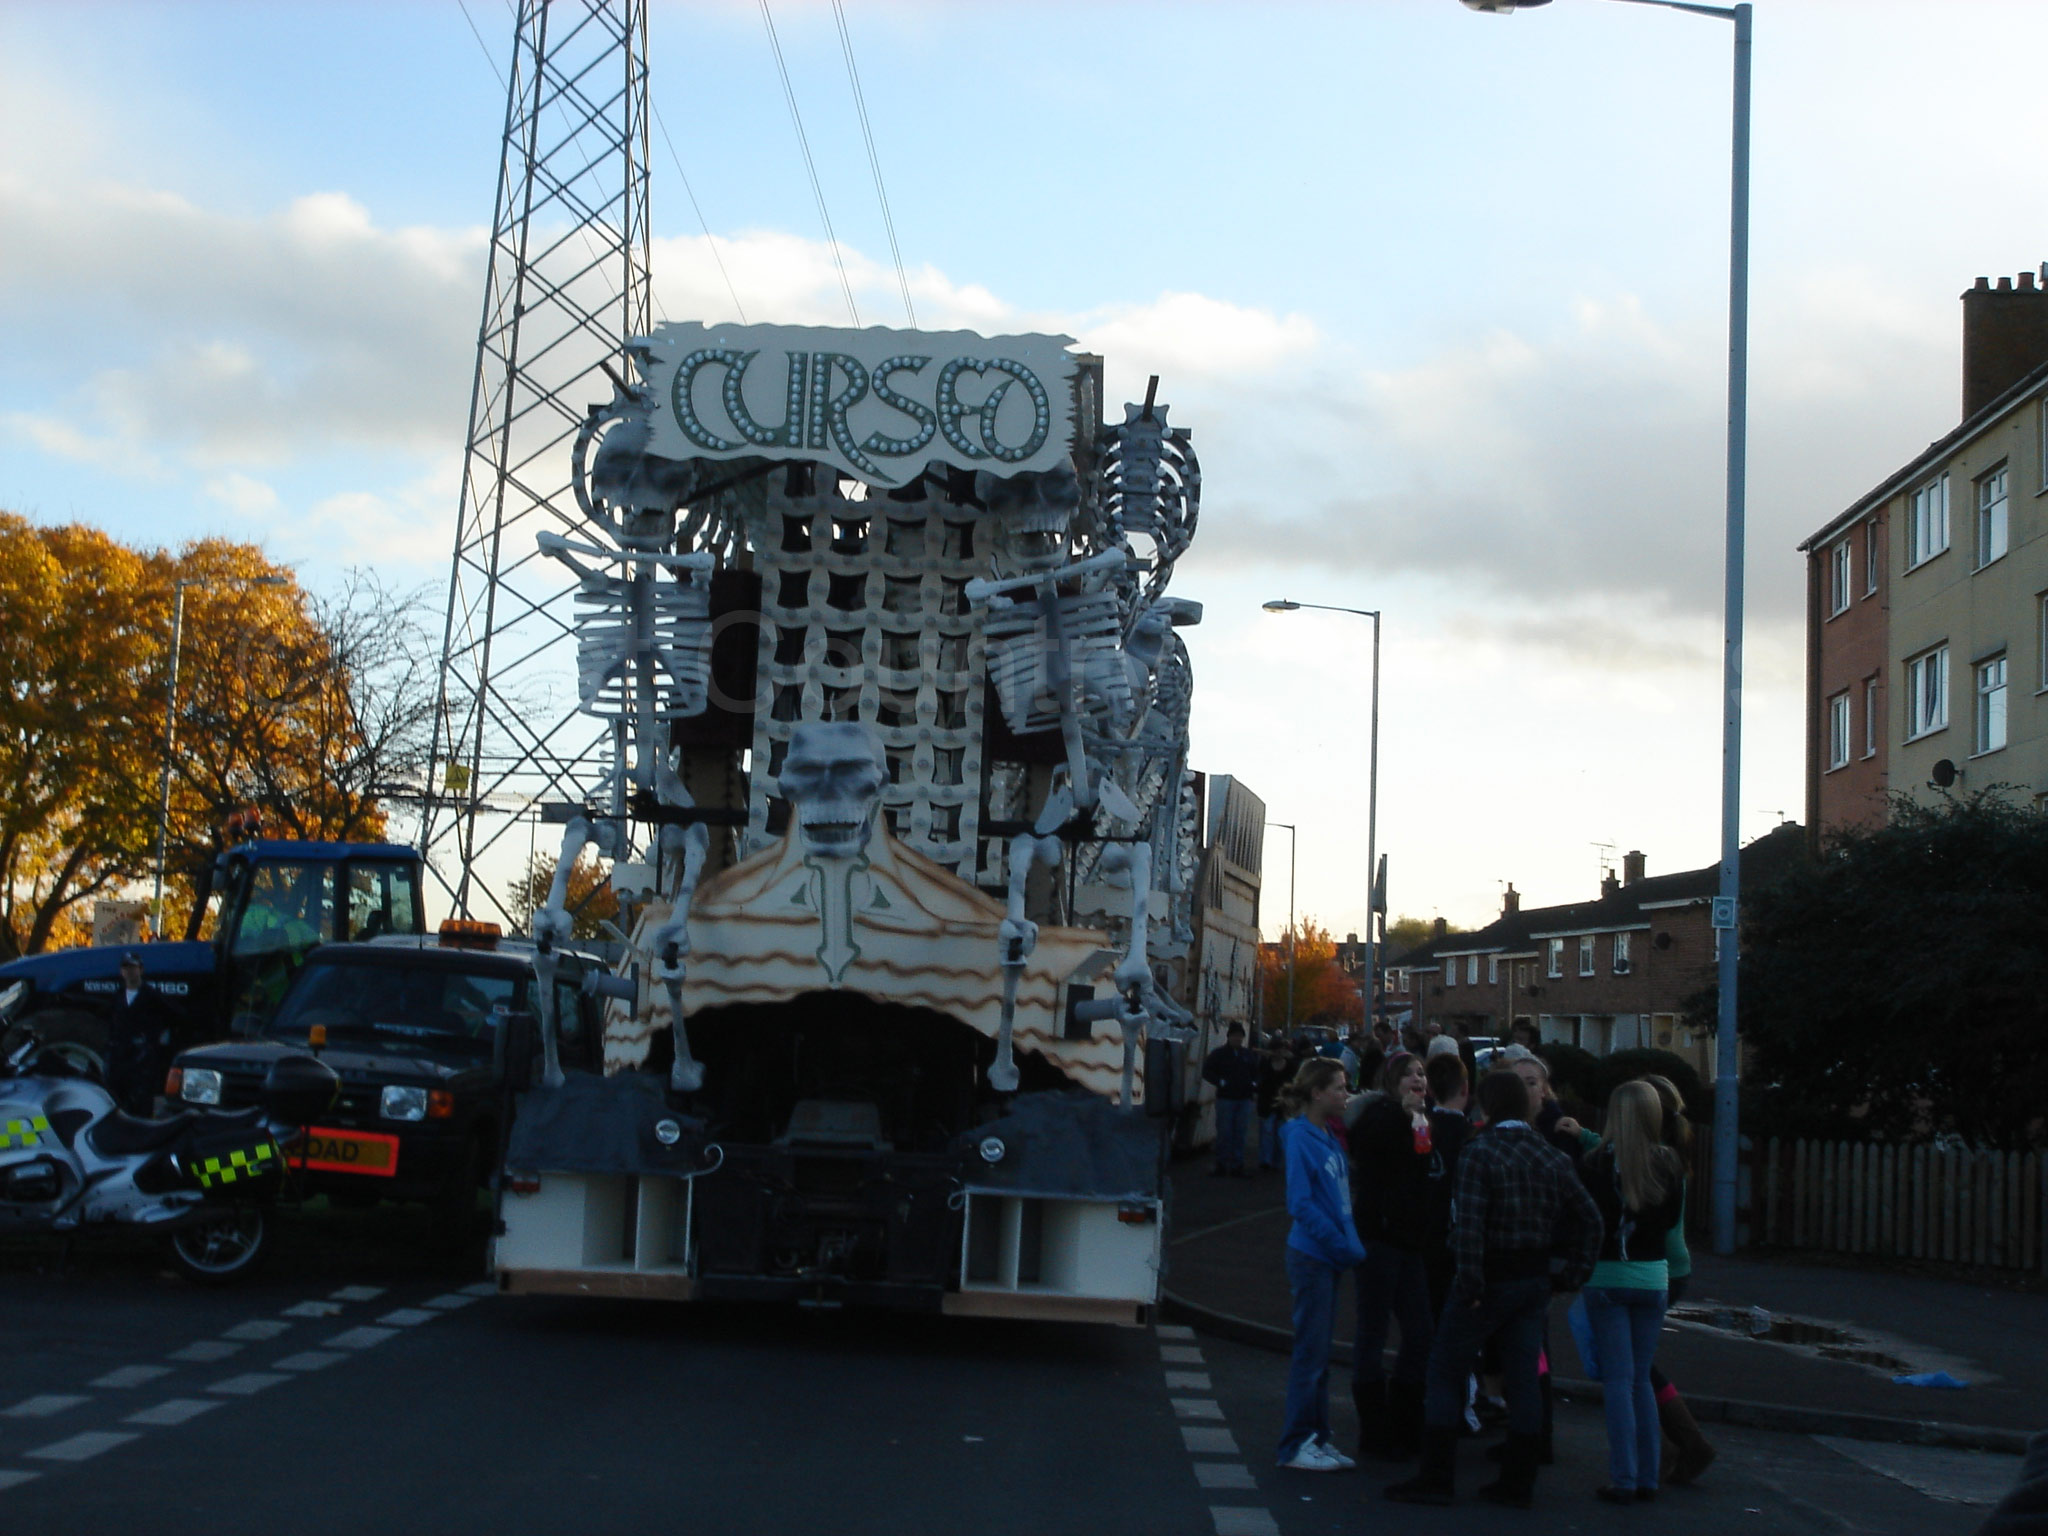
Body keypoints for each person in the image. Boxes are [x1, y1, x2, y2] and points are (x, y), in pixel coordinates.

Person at [1385, 1068, 1601, 1510]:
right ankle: (1518, 1481)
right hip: (1533, 1279)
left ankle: (1437, 1476)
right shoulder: (1551, 1157)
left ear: (1487, 1105)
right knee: (1524, 1378)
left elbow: (1468, 1228)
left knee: (1445, 1370)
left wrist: (1470, 1283)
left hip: (1487, 1279)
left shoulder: (1479, 1153)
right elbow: (1591, 1220)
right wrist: (1571, 1276)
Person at [1578, 1081, 1687, 1504]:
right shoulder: (1669, 1163)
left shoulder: (1594, 1164)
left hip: (1607, 1276)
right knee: (1641, 1379)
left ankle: (1623, 1477)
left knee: (1618, 1381)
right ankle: (1648, 1477)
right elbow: (1671, 1220)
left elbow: (1586, 1220)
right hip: (1653, 1277)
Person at [1276, 1056, 1368, 1473]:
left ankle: (1317, 1436)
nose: (1346, 1094)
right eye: (1339, 1087)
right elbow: (1300, 1203)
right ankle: (1296, 1443)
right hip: (1313, 1255)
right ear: (1317, 1093)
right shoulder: (1301, 1137)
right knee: (1310, 1354)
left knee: (1319, 1354)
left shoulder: (1326, 1133)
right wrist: (1339, 1243)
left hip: (1328, 1254)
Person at [1348, 1052, 1436, 1460]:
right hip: (1379, 1238)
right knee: (1374, 1329)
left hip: (1409, 1240)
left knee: (1420, 1331)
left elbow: (1421, 1169)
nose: (1418, 1079)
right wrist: (1404, 1117)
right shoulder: (1380, 1116)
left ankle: (1404, 1417)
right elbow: (1374, 1157)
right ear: (1392, 1082)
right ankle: (1374, 1427)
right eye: (1409, 1074)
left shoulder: (1421, 1119)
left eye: (1421, 1073)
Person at [1420, 1050, 1472, 1316]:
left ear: (1429, 1090)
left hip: (1422, 1234)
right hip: (1460, 1239)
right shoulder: (1473, 1137)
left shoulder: (1420, 1130)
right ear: (1465, 1088)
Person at [104, 950, 177, 1115]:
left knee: (142, 1106)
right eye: (126, 967)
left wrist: (154, 1039)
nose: (129, 971)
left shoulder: (152, 996)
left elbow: (174, 1015)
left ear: (141, 970)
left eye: (133, 967)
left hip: (142, 1061)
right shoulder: (117, 997)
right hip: (119, 1059)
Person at [1202, 1024, 1262, 1176]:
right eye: (1235, 1035)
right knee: (1224, 1132)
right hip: (1226, 1098)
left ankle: (1237, 1164)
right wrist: (1220, 1082)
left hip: (1244, 1098)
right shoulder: (1219, 1054)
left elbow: (1257, 1072)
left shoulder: (1247, 1055)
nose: (1237, 1039)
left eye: (1240, 1036)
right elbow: (1206, 1071)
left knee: (1240, 1133)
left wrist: (1254, 1084)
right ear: (1228, 1036)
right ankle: (1222, 1164)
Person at [1255, 1035, 1292, 1173]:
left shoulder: (1290, 1065)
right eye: (1276, 1049)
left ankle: (1276, 1161)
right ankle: (1266, 1160)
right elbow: (1259, 1081)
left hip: (1283, 1104)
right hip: (1267, 1102)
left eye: (1280, 1049)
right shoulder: (1264, 1064)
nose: (1278, 1052)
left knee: (1280, 1134)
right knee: (1267, 1132)